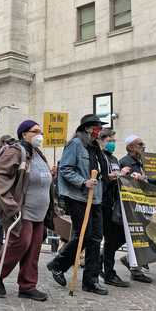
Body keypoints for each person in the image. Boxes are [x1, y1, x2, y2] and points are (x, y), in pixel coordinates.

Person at [0, 120, 52, 301]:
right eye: (35, 131)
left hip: (40, 212)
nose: (40, 135)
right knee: (21, 243)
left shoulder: (38, 153)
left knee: (34, 248)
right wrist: (10, 205)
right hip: (22, 210)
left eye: (41, 131)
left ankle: (27, 286)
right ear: (24, 134)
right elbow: (1, 177)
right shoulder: (15, 152)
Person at [46, 114, 108, 295]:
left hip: (95, 198)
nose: (99, 131)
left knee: (96, 237)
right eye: (97, 127)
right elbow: (65, 169)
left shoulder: (96, 148)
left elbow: (100, 171)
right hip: (78, 197)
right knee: (85, 235)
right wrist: (83, 182)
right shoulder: (75, 144)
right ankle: (59, 264)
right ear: (88, 128)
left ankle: (91, 280)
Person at [118, 135, 154, 283]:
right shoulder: (125, 162)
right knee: (135, 236)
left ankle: (131, 261)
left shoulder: (140, 161)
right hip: (131, 206)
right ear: (131, 147)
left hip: (140, 204)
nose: (143, 146)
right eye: (140, 144)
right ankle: (135, 269)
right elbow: (123, 182)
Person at [98, 129, 130, 288]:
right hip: (102, 203)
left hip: (114, 203)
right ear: (102, 140)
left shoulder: (114, 158)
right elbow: (103, 177)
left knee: (118, 237)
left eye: (114, 140)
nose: (112, 143)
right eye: (110, 140)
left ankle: (101, 263)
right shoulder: (100, 156)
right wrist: (118, 174)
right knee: (109, 238)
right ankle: (108, 272)